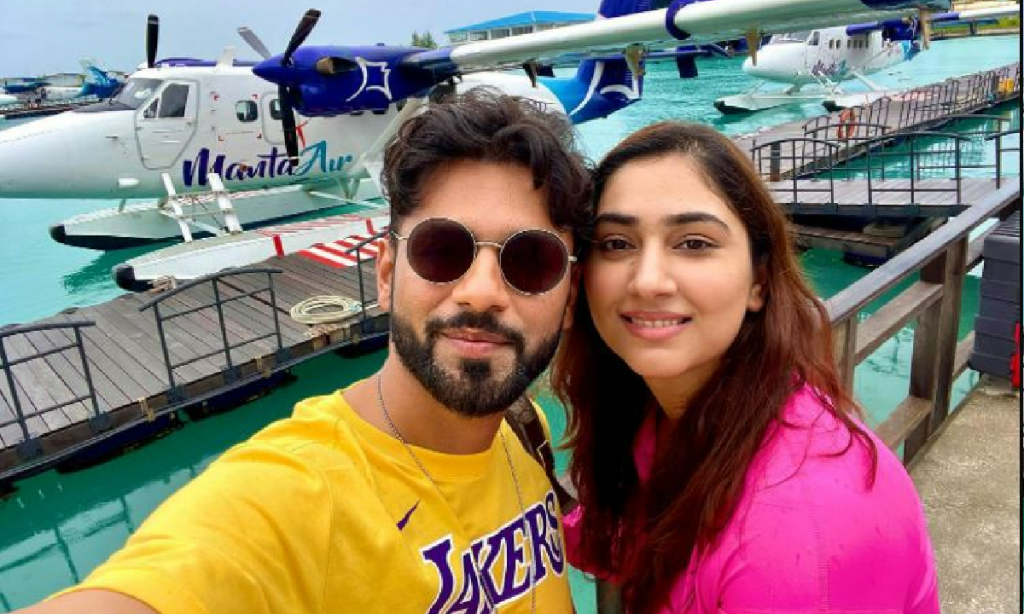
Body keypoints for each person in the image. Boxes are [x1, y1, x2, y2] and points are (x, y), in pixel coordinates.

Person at [21, 89, 591, 614]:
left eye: (531, 261)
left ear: (568, 301)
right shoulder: (292, 493)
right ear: (386, 276)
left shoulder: (524, 428)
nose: (482, 291)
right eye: (441, 250)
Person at [552, 121, 939, 614]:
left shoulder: (797, 530)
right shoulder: (670, 419)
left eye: (693, 243)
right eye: (616, 243)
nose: (647, 281)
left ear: (759, 280)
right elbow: (639, 540)